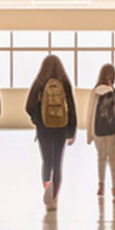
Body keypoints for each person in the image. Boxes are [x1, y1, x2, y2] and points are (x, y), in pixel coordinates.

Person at [25, 55, 77, 211]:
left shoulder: (40, 82)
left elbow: (28, 106)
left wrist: (38, 120)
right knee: (57, 163)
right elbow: (72, 109)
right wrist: (71, 131)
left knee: (46, 162)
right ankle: (54, 198)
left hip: (44, 129)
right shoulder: (65, 83)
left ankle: (47, 190)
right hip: (61, 128)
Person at [86, 64, 115, 203]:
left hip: (98, 131)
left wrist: (89, 134)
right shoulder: (114, 92)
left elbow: (90, 113)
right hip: (112, 131)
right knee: (113, 160)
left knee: (100, 158)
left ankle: (101, 185)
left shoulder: (94, 92)